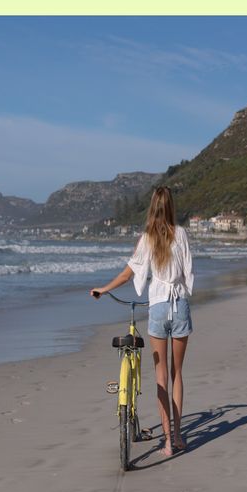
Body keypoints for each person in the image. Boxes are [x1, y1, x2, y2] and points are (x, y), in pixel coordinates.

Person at [90, 186, 194, 458]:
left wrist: (104, 288)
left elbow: (129, 273)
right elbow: (187, 273)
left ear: (152, 207)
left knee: (160, 376)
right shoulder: (181, 234)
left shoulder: (147, 239)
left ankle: (168, 443)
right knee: (177, 374)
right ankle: (180, 435)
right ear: (171, 206)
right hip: (179, 305)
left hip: (159, 307)